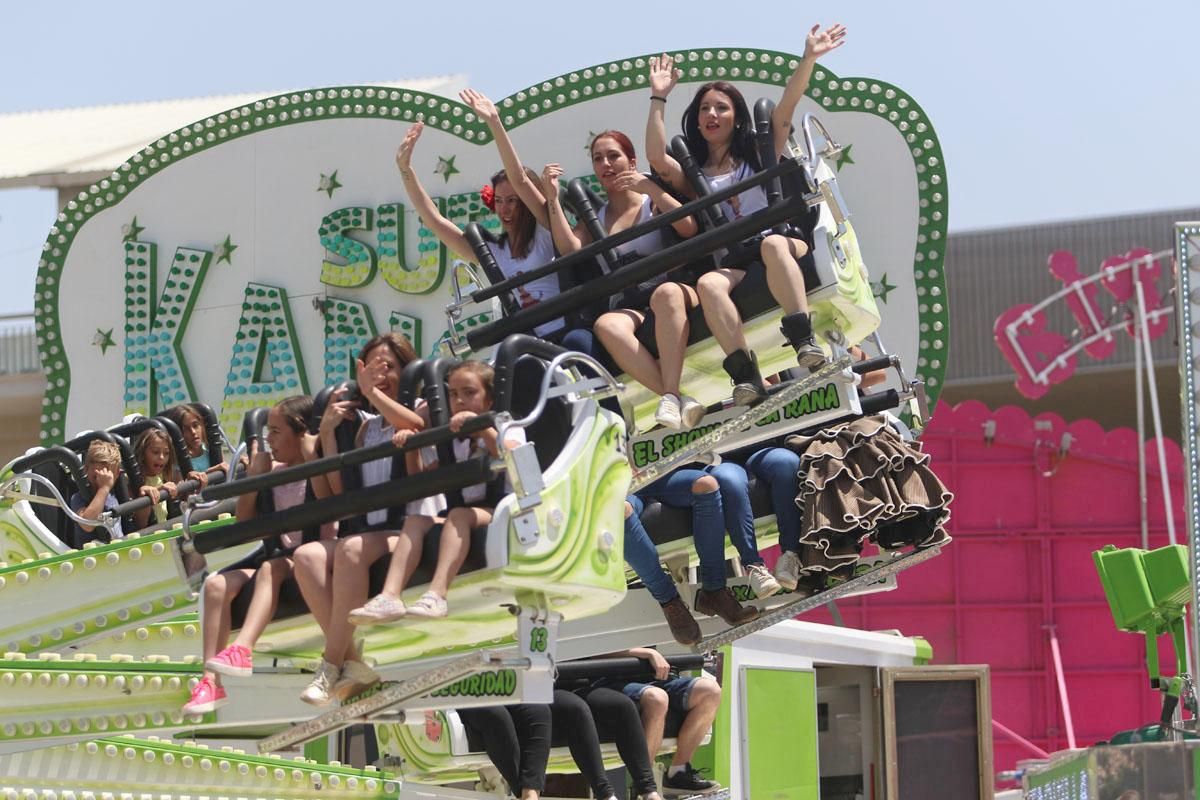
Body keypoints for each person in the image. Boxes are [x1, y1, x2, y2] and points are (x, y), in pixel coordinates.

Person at [645, 24, 848, 405]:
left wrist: (808, 59)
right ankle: (745, 373)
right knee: (708, 284)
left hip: (783, 242)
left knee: (772, 244)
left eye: (721, 107)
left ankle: (802, 337)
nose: (711, 113)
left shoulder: (758, 153)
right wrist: (658, 98)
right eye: (705, 108)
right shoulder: (697, 175)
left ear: (736, 117)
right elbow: (657, 158)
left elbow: (785, 111)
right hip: (739, 259)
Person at [292, 333, 427, 706]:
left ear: (406, 368)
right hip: (371, 529)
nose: (379, 375)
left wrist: (372, 393)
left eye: (389, 367)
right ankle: (352, 661)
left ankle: (329, 665)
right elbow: (336, 495)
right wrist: (328, 436)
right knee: (306, 557)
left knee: (351, 549)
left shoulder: (420, 406)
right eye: (371, 369)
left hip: (411, 530)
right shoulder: (367, 428)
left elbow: (416, 425)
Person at [539, 132, 705, 430]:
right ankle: (674, 396)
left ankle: (670, 395)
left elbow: (689, 226)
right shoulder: (596, 218)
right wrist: (552, 199)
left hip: (674, 291)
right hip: (633, 303)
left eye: (613, 156)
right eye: (598, 159)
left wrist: (651, 189)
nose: (606, 164)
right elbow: (569, 250)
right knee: (605, 325)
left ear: (631, 161)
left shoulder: (649, 200)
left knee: (665, 293)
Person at [181, 395, 334, 715]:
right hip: (279, 557)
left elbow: (327, 501)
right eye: (267, 433)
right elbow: (245, 522)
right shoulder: (273, 470)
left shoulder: (317, 466)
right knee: (216, 586)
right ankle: (210, 682)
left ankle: (243, 648)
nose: (269, 441)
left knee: (272, 568)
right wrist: (255, 480)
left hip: (316, 556)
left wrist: (312, 459)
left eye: (276, 432)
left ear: (301, 433)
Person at [397, 105, 565, 341]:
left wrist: (494, 122)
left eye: (512, 200)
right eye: (498, 200)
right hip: (529, 344)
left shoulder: (546, 230)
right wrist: (405, 170)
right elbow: (434, 220)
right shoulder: (495, 252)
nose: (504, 209)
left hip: (565, 333)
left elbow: (520, 179)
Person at [394, 359, 525, 619]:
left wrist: (481, 427)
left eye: (469, 392)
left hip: (504, 509)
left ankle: (437, 594)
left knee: (458, 516)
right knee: (415, 522)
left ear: (489, 399)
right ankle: (390, 595)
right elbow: (422, 479)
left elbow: (512, 455)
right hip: (466, 511)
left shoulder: (506, 426)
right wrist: (411, 444)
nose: (460, 401)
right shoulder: (455, 440)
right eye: (453, 395)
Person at [626, 466, 761, 631]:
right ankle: (670, 602)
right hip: (622, 486)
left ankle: (714, 590)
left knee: (706, 484)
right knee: (621, 511)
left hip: (662, 472)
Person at [598, 648, 722, 797]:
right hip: (612, 680)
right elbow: (593, 650)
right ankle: (644, 784)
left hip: (658, 677)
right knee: (657, 699)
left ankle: (679, 772)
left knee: (711, 690)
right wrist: (648, 653)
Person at [455, 704, 551, 800]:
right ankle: (526, 796)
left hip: (502, 692)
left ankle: (530, 794)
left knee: (538, 710)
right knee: (496, 715)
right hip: (463, 695)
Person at [68, 440, 123, 546]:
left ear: (117, 474)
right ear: (86, 470)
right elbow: (87, 524)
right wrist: (104, 488)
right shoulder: (78, 498)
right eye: (96, 476)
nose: (100, 481)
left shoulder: (118, 493)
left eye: (107, 477)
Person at [162, 403, 227, 487]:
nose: (193, 432)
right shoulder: (176, 462)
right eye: (186, 429)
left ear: (202, 426)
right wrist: (212, 471)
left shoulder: (211, 449)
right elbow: (181, 492)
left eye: (195, 425)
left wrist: (239, 461)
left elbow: (226, 468)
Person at [131, 427, 177, 528]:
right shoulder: (131, 480)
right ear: (143, 453)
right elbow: (139, 523)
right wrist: (158, 490)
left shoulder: (164, 476)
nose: (161, 457)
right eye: (155, 452)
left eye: (166, 453)